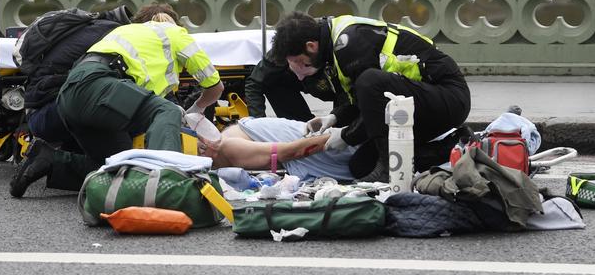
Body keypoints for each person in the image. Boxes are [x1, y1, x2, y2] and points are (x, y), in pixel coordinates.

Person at [10, 3, 224, 197]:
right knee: (168, 111)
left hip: (69, 97)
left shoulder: (122, 31)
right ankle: (168, 185)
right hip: (97, 85)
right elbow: (215, 87)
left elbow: (144, 109)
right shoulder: (174, 32)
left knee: (123, 166)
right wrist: (195, 113)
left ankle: (49, 160)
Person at [270, 12, 471, 182]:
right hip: (413, 103)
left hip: (448, 97)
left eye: (298, 61)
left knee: (370, 80)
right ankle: (453, 146)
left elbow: (372, 93)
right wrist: (335, 117)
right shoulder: (329, 43)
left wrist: (347, 135)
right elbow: (362, 101)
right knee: (360, 167)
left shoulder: (348, 42)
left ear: (311, 46)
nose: (298, 71)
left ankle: (389, 171)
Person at [24, 5, 132, 153]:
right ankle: (50, 159)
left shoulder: (97, 26)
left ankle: (55, 163)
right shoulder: (112, 38)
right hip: (50, 112)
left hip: (41, 110)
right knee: (120, 151)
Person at [200, 116, 357, 182]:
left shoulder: (227, 147)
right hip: (297, 137)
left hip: (308, 144)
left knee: (347, 149)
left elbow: (290, 152)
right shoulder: (224, 141)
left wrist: (345, 135)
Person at [244, 51, 347, 122]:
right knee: (270, 80)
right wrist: (259, 124)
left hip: (336, 80)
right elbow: (254, 84)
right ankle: (301, 126)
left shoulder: (336, 50)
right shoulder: (280, 52)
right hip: (290, 84)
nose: (300, 77)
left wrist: (337, 118)